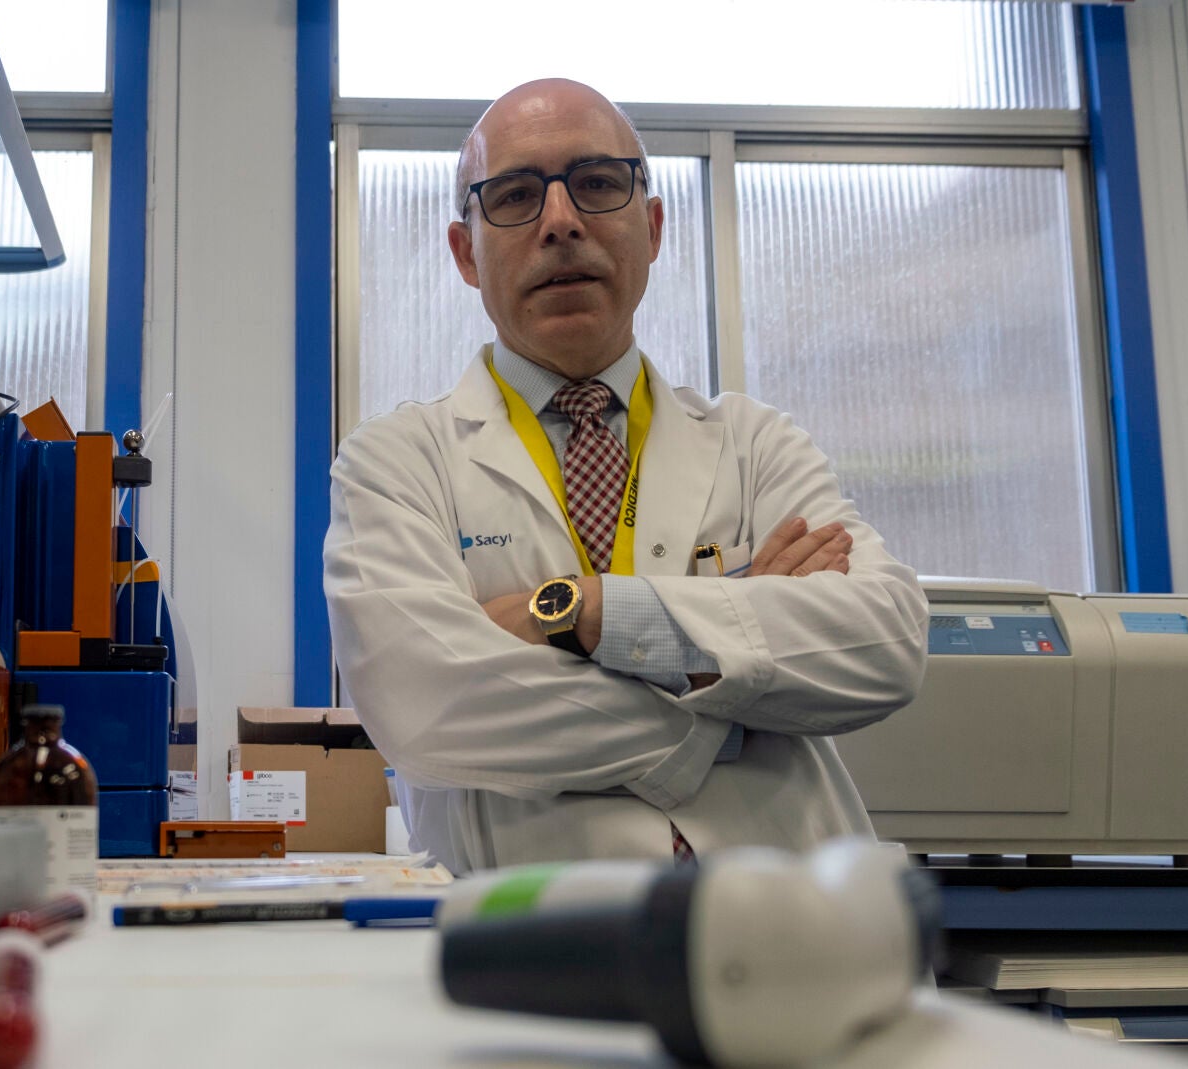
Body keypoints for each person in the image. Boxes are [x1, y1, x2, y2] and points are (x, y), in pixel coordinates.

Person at [322, 79, 929, 875]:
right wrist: (733, 688)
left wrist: (583, 611)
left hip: (790, 920)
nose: (560, 220)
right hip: (543, 934)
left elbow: (882, 641)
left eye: (598, 182)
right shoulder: (395, 465)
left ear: (653, 226)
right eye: (515, 195)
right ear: (466, 253)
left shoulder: (755, 443)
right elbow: (429, 707)